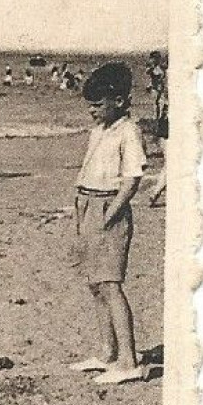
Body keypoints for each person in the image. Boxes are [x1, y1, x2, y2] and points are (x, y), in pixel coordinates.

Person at [68, 63, 149, 385]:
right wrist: (80, 212)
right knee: (94, 284)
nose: (92, 111)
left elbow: (132, 179)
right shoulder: (98, 130)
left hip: (107, 207)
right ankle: (106, 353)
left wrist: (110, 213)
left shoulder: (128, 131)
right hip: (87, 202)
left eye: (98, 105)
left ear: (118, 100)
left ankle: (129, 360)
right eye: (89, 105)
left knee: (110, 284)